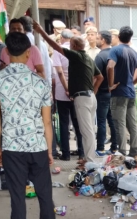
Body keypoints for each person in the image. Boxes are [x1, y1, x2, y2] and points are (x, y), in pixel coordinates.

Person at [0, 32, 57, 219]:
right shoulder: (41, 83)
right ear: (29, 53)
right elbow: (47, 121)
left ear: (6, 52)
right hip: (37, 145)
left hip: (12, 147)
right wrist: (48, 148)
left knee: (17, 193)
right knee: (44, 191)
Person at [36, 23, 103, 163]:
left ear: (75, 46)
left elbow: (55, 47)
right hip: (90, 97)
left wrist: (41, 31)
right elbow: (100, 77)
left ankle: (90, 161)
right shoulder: (88, 58)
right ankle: (87, 158)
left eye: (71, 44)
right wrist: (93, 91)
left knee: (87, 131)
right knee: (87, 130)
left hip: (83, 98)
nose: (69, 46)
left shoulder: (76, 55)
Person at [107, 26, 137, 158]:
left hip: (119, 92)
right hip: (130, 92)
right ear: (130, 38)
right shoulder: (134, 53)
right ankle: (134, 151)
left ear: (119, 37)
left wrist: (111, 84)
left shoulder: (115, 50)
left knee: (120, 123)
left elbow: (110, 66)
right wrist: (133, 83)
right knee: (132, 123)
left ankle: (122, 152)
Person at [51, 29, 84, 160]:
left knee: (64, 124)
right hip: (77, 91)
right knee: (78, 123)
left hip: (61, 92)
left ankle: (66, 154)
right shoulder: (76, 51)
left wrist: (66, 88)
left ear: (61, 38)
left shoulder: (57, 51)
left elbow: (59, 72)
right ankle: (81, 152)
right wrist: (72, 89)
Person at [94, 31, 118, 155]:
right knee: (112, 120)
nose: (96, 40)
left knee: (102, 120)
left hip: (102, 92)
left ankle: (100, 148)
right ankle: (114, 147)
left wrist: (93, 90)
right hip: (114, 92)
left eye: (98, 38)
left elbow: (96, 76)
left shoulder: (100, 57)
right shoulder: (115, 53)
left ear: (103, 40)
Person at [20, 16, 52, 84]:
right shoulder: (42, 44)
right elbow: (47, 68)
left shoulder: (22, 44)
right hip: (43, 84)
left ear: (22, 27)